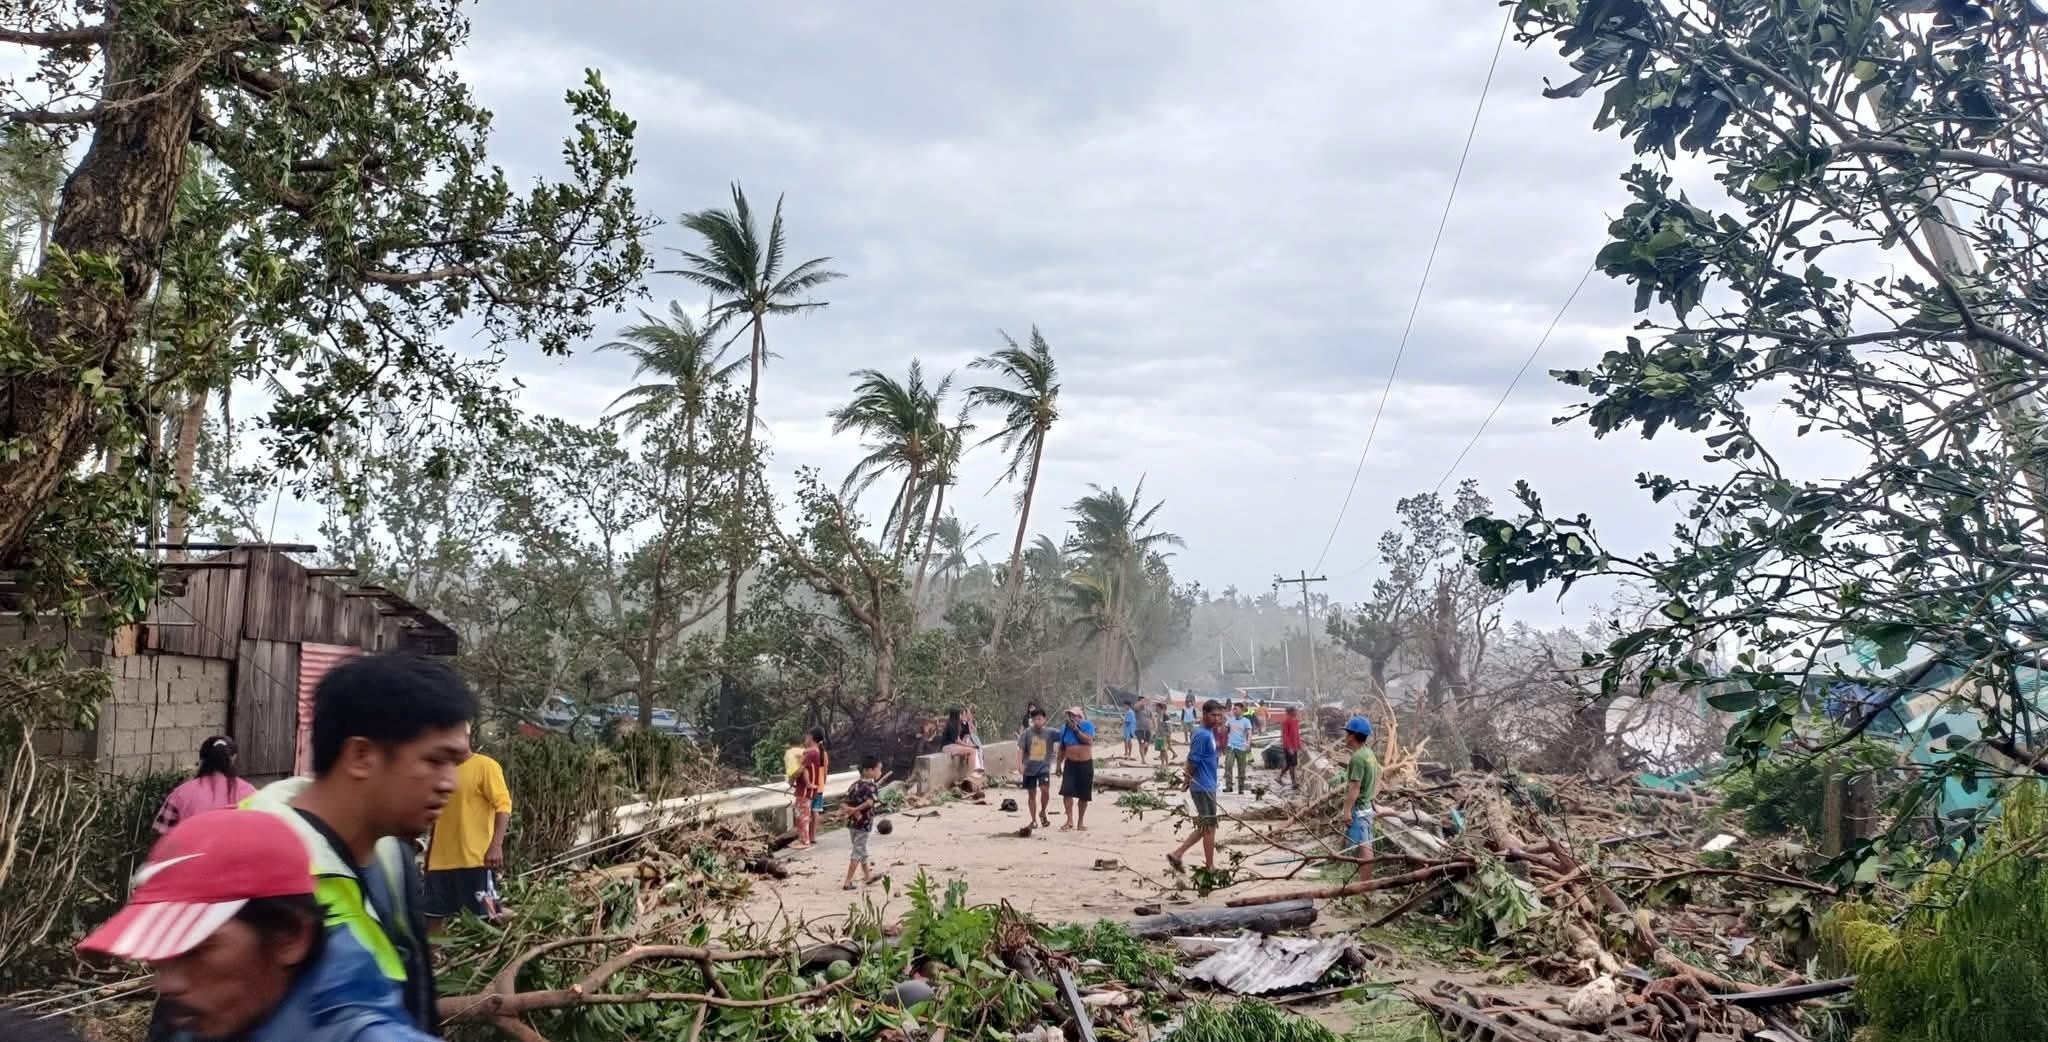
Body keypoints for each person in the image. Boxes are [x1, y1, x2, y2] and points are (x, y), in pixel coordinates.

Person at [241, 652, 471, 1033]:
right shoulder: (247, 869)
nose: (450, 783)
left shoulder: (392, 859)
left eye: (455, 764)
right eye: (434, 760)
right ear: (361, 756)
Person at [85, 810, 437, 1042]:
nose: (168, 983)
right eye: (160, 952)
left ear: (290, 937)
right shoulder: (205, 1026)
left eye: (197, 949)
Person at [423, 732, 513, 926]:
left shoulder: (485, 766)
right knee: (432, 918)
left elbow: (503, 807)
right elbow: (438, 820)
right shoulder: (441, 773)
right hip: (441, 863)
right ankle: (433, 957)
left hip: (475, 859)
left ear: (467, 738)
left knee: (488, 919)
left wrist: (496, 846)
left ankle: (505, 936)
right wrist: (429, 857)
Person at [1166, 700, 1226, 874]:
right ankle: (1209, 866)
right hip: (1202, 786)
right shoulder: (1203, 735)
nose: (1217, 719)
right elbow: (1192, 760)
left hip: (1208, 784)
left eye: (1219, 715)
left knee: (1206, 825)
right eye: (1214, 715)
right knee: (1209, 826)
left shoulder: (1209, 733)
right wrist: (1187, 779)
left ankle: (1177, 854)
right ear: (1204, 715)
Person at [154, 736, 257, 835]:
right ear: (233, 758)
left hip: (193, 852)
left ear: (202, 760)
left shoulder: (180, 794)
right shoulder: (250, 793)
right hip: (238, 852)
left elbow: (163, 834)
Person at [1340, 715, 1382, 879]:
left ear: (1352, 735)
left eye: (1347, 734)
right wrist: (1372, 799)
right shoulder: (1369, 754)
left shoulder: (1357, 758)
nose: (1345, 737)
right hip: (1366, 805)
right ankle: (1362, 882)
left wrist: (1347, 810)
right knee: (1364, 845)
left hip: (1359, 807)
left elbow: (1355, 787)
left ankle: (1364, 886)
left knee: (1365, 848)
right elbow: (1376, 778)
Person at [841, 755, 883, 890]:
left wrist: (850, 810)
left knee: (861, 849)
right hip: (864, 824)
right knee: (858, 851)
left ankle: (867, 876)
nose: (879, 772)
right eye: (878, 769)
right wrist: (856, 809)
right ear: (868, 770)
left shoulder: (854, 785)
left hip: (852, 824)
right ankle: (847, 881)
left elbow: (843, 803)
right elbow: (870, 803)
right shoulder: (871, 786)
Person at [1056, 706, 1096, 831]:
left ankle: (1080, 822)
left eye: (1074, 715)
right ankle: (1069, 820)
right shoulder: (1064, 729)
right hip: (1070, 764)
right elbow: (1062, 748)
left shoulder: (1087, 725)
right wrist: (1058, 764)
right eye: (1070, 715)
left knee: (1084, 795)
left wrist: (1076, 730)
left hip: (1085, 764)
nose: (1072, 718)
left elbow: (1088, 741)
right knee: (1067, 792)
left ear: (1080, 716)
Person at [1017, 707, 1057, 828]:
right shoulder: (1027, 733)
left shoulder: (1051, 732)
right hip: (1029, 769)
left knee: (1045, 790)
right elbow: (1021, 749)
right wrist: (1019, 765)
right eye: (1034, 719)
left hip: (1044, 768)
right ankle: (1033, 819)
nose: (1037, 721)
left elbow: (1065, 735)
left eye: (1039, 719)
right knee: (1032, 794)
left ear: (1044, 719)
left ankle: (1043, 811)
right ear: (1032, 720)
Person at [794, 727, 828, 848]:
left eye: (807, 736)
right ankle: (809, 838)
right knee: (812, 812)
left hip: (808, 788)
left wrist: (792, 778)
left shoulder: (811, 753)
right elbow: (823, 772)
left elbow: (803, 769)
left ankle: (805, 840)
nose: (805, 738)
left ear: (812, 738)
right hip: (817, 787)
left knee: (803, 815)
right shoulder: (820, 753)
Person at [1224, 703, 1253, 794]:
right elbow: (1225, 731)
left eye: (1236, 709)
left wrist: (1248, 743)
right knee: (1228, 766)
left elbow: (1249, 733)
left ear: (1241, 710)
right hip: (1230, 747)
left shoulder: (1246, 721)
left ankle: (1241, 788)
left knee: (1241, 769)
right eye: (1233, 709)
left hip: (1241, 748)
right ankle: (1229, 786)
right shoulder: (1230, 720)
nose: (1234, 710)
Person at [1278, 705, 1304, 790]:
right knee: (1292, 764)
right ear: (1290, 712)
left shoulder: (1295, 721)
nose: (1296, 712)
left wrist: (1299, 745)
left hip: (1294, 746)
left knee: (1291, 764)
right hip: (1289, 747)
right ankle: (1293, 782)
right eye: (1295, 711)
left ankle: (1279, 777)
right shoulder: (1286, 721)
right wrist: (1289, 748)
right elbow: (1285, 735)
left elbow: (1297, 735)